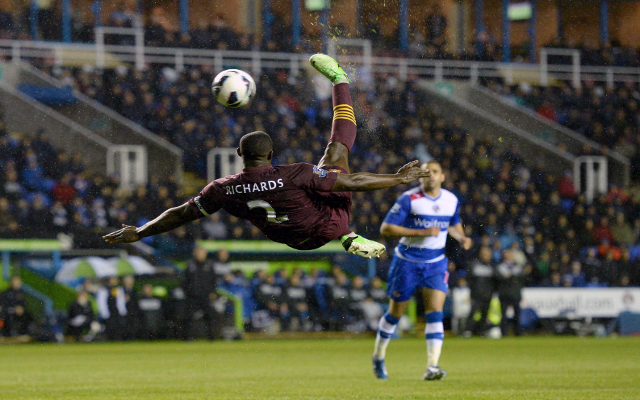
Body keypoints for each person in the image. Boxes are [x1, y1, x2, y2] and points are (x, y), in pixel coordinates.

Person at [103, 54, 430, 258]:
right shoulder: (293, 173)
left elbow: (180, 214)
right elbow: (354, 181)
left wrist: (141, 231)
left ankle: (348, 237)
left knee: (322, 183)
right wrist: (398, 179)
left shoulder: (222, 188)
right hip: (328, 226)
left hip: (292, 240)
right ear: (271, 154)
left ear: (238, 155)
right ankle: (339, 81)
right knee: (336, 153)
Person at [372, 160, 473, 381]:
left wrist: (462, 237)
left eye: (435, 172)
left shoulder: (451, 200)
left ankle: (432, 367)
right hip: (406, 262)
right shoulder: (409, 199)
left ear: (442, 176)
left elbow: (453, 223)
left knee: (434, 312)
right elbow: (386, 228)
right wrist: (422, 233)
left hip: (435, 263)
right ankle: (378, 356)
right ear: (420, 178)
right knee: (395, 314)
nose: (431, 176)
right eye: (426, 173)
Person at [183, 246, 218, 340]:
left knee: (210, 316)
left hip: (206, 295)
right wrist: (187, 292)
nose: (200, 255)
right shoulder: (190, 265)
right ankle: (189, 337)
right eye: (198, 253)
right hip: (192, 295)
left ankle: (211, 337)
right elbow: (185, 280)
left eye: (201, 253)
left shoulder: (209, 265)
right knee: (190, 317)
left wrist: (213, 292)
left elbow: (213, 280)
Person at [466, 246, 497, 337]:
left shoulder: (492, 266)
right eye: (484, 254)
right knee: (473, 312)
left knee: (485, 314)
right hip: (476, 294)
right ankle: (468, 331)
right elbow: (469, 278)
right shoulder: (474, 264)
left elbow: (496, 280)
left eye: (488, 254)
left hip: (488, 294)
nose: (486, 256)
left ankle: (482, 331)